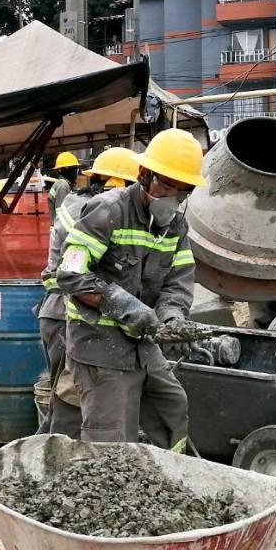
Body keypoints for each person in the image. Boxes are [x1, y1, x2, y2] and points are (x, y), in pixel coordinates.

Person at [56, 129, 205, 446]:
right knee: (112, 437)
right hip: (98, 343)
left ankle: (164, 473)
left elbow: (177, 284)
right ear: (143, 175)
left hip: (142, 344)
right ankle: (107, 477)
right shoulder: (108, 211)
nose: (171, 198)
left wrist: (172, 319)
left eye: (182, 191)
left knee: (171, 408)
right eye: (165, 185)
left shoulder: (176, 227)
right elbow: (69, 273)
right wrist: (122, 305)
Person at [37, 146, 142, 437]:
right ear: (118, 185)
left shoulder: (79, 203)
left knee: (70, 399)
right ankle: (51, 456)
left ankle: (52, 450)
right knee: (71, 402)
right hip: (66, 313)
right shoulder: (93, 211)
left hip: (62, 311)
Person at [48, 152, 81, 218]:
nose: (77, 171)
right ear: (66, 169)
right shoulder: (63, 185)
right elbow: (61, 213)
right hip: (60, 223)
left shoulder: (63, 184)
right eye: (75, 168)